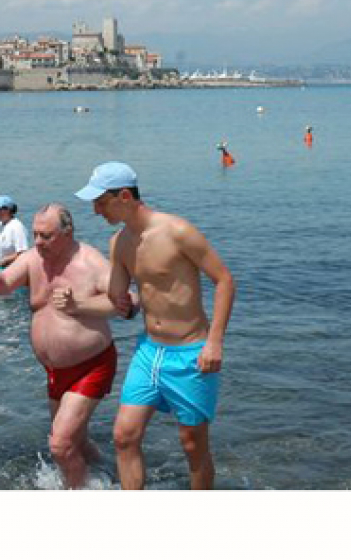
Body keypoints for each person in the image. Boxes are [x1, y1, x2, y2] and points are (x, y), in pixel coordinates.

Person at [75, 161, 236, 490]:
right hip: (149, 352)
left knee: (192, 444)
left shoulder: (177, 232)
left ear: (124, 196)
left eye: (100, 202)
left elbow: (224, 280)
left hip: (192, 353)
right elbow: (119, 301)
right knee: (124, 436)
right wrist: (82, 303)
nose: (95, 210)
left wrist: (215, 343)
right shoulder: (119, 243)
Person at [0, 204, 133, 489]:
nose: (37, 242)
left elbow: (128, 301)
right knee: (76, 440)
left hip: (91, 365)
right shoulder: (34, 259)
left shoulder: (90, 262)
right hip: (54, 370)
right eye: (35, 235)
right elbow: (4, 286)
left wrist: (79, 305)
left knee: (60, 445)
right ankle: (109, 477)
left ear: (67, 233)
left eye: (45, 236)